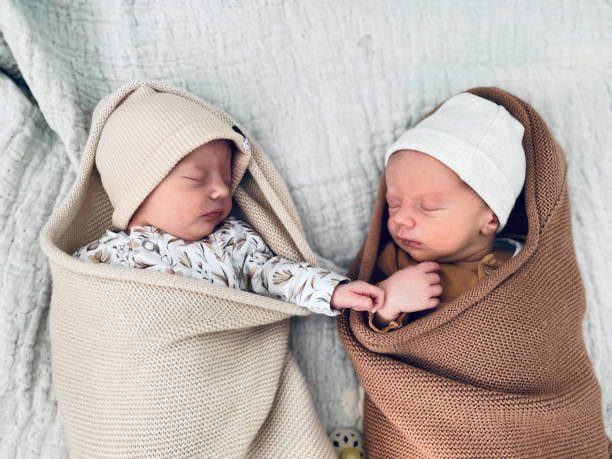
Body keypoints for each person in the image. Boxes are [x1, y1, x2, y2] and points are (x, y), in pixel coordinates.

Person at [73, 84, 384, 317]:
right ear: (137, 190)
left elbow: (274, 274)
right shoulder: (100, 259)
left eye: (226, 178)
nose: (222, 192)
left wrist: (333, 291)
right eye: (197, 178)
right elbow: (90, 326)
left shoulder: (232, 241)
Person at [369, 91, 525, 331]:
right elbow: (367, 326)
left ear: (490, 218)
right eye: (394, 204)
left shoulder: (522, 262)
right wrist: (390, 300)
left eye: (428, 208)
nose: (400, 218)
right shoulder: (396, 263)